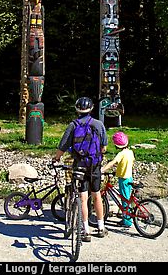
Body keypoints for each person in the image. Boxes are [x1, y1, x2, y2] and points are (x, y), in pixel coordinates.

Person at [52, 97, 108, 241]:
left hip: (80, 165)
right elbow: (104, 147)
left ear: (77, 109)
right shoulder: (98, 124)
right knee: (96, 195)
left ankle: (86, 231)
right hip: (94, 165)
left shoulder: (73, 125)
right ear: (91, 108)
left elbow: (62, 145)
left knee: (83, 198)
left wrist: (56, 158)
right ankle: (101, 228)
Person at [101, 131, 135, 228]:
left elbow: (113, 162)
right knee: (127, 198)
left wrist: (103, 169)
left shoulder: (121, 154)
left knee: (125, 200)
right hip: (129, 177)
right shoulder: (130, 152)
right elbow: (129, 162)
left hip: (123, 179)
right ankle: (126, 217)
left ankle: (127, 221)